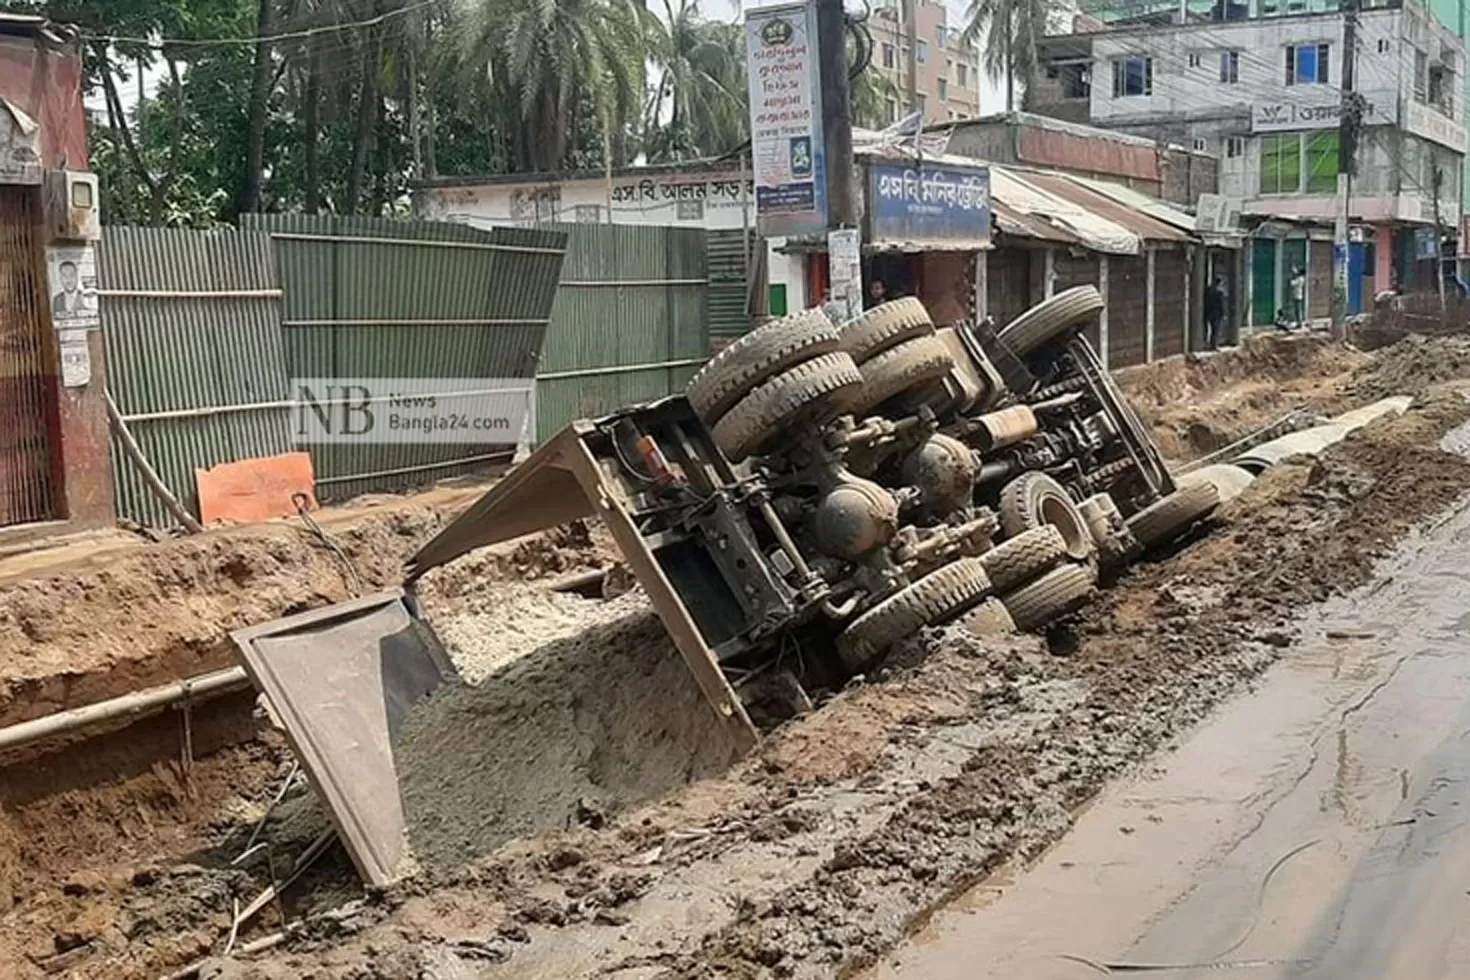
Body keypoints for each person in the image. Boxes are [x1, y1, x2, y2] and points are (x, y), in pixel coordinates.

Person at [1203, 276, 1226, 349]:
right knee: (1215, 330)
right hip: (1216, 313)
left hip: (1208, 312)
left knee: (1208, 328)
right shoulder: (1219, 293)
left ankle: (1207, 343)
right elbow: (1221, 304)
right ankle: (1213, 345)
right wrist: (1223, 314)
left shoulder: (1208, 290)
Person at [1288, 266, 1306, 330]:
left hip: (1297, 296)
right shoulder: (1300, 278)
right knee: (1297, 310)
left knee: (1298, 311)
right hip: (1297, 296)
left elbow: (1292, 283)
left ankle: (1300, 323)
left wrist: (1291, 277)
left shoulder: (1300, 279)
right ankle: (1299, 323)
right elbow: (1296, 274)